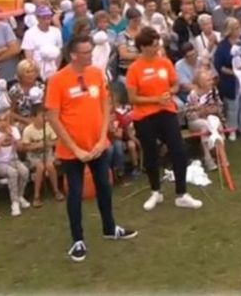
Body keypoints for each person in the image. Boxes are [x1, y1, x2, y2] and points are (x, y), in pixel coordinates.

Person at [45, 35, 137, 262]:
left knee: (104, 186)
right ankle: (77, 239)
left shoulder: (96, 73)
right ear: (74, 55)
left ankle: (110, 227)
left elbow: (106, 104)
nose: (90, 55)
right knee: (75, 193)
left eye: (91, 51)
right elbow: (53, 118)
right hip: (72, 150)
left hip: (97, 145)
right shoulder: (58, 80)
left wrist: (102, 138)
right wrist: (75, 149)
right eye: (86, 52)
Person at [125, 27, 202, 211]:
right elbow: (132, 98)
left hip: (166, 111)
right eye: (153, 45)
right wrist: (155, 99)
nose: (157, 47)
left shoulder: (165, 63)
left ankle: (182, 193)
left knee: (178, 150)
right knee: (151, 154)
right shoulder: (134, 69)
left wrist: (171, 92)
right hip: (144, 116)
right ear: (142, 47)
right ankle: (155, 191)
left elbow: (174, 84)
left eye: (158, 43)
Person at [214, 18, 241, 141]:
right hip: (230, 80)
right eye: (236, 27)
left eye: (239, 26)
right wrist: (233, 73)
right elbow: (218, 65)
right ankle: (232, 130)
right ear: (229, 30)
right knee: (233, 106)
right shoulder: (222, 45)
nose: (239, 29)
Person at [0, 109, 30, 217]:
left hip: (13, 159)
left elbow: (20, 148)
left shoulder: (14, 129)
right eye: (0, 120)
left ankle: (20, 196)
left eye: (5, 120)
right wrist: (4, 135)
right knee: (12, 173)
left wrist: (14, 139)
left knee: (24, 171)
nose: (3, 122)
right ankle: (14, 203)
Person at [184, 70, 226, 171]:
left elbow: (220, 106)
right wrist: (200, 112)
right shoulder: (193, 95)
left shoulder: (214, 91)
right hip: (196, 122)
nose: (211, 82)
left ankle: (221, 156)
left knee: (217, 125)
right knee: (205, 126)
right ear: (200, 82)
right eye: (208, 80)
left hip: (211, 118)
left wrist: (214, 109)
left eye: (211, 80)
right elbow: (189, 115)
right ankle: (208, 159)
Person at [21, 111, 61, 207]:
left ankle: (56, 191)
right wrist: (37, 146)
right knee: (40, 167)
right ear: (33, 117)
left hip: (47, 152)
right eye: (42, 116)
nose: (45, 118)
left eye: (46, 115)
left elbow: (56, 141)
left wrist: (48, 144)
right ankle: (36, 196)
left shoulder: (48, 126)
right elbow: (25, 147)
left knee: (50, 165)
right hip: (33, 155)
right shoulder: (28, 130)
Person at [22, 5, 63, 80]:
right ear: (37, 18)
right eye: (44, 17)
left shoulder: (56, 31)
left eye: (49, 17)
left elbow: (59, 53)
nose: (47, 20)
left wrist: (55, 69)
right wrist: (38, 73)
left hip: (54, 71)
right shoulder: (29, 33)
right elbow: (29, 57)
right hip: (37, 73)